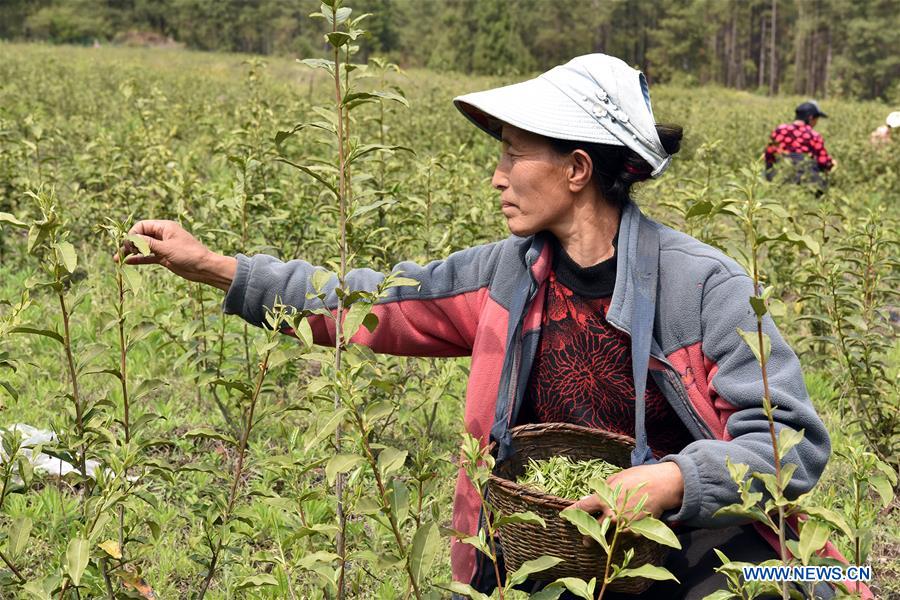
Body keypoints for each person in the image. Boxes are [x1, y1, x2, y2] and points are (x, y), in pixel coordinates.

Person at [120, 55, 862, 598]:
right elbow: (369, 304)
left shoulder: (705, 287)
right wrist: (216, 266)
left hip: (693, 545)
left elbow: (788, 447)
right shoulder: (505, 274)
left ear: (577, 168)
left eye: (513, 154)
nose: (497, 175)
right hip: (545, 548)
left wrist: (668, 481)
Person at [764, 100, 835, 193]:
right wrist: (832, 164)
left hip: (781, 177)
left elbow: (769, 153)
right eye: (816, 119)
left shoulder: (780, 130)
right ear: (810, 118)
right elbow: (823, 162)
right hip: (806, 181)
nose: (816, 122)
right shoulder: (814, 135)